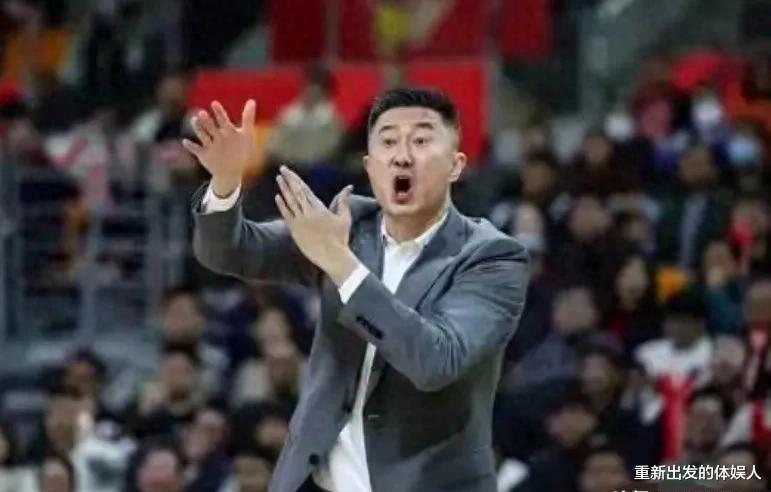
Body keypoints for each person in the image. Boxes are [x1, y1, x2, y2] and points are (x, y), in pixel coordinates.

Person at [183, 87, 531, 491]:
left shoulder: (491, 257)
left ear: (456, 165)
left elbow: (436, 362)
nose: (402, 156)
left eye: (421, 141)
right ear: (369, 166)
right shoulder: (349, 225)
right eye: (388, 142)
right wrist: (225, 183)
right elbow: (230, 251)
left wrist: (340, 263)